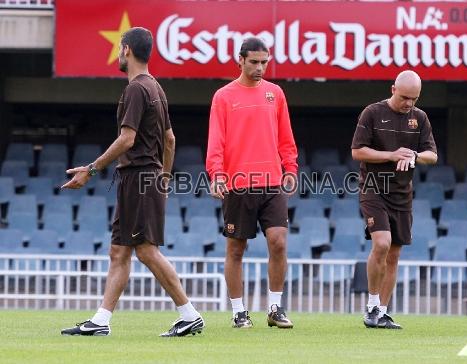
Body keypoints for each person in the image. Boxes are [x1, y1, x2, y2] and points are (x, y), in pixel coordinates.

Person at [60, 27, 204, 337]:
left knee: (146, 252)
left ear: (126, 50)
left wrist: (92, 168)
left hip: (138, 177)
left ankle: (189, 313)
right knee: (119, 252)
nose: (117, 54)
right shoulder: (156, 88)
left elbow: (127, 139)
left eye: (119, 49)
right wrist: (163, 180)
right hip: (142, 180)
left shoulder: (136, 90)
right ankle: (101, 320)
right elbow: (169, 140)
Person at [206, 37, 298, 329]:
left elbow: (286, 136)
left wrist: (291, 168)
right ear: (241, 60)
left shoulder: (276, 93)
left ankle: (275, 308)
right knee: (236, 249)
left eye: (264, 62)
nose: (260, 68)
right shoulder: (223, 96)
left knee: (279, 242)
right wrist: (216, 173)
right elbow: (216, 140)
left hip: (272, 182)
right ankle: (238, 312)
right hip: (237, 183)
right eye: (254, 62)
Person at [351, 70, 437, 329]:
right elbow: (357, 151)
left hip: (402, 193)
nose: (409, 103)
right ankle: (372, 307)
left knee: (394, 254)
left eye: (414, 99)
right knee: (382, 243)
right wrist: (392, 155)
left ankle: (383, 312)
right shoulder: (372, 113)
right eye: (404, 97)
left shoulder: (420, 118)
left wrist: (414, 155)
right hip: (374, 187)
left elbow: (432, 155)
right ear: (392, 90)